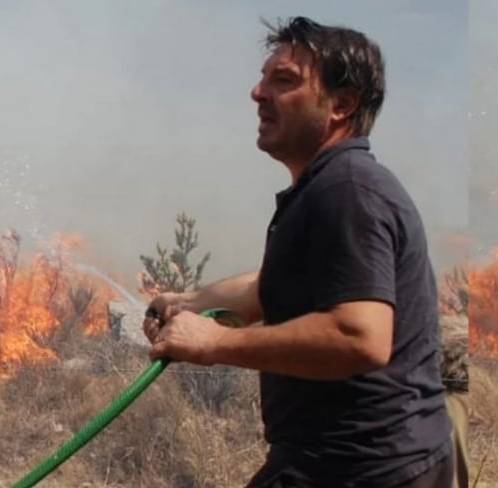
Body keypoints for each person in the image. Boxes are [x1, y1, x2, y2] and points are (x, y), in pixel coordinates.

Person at [142, 16, 455, 487]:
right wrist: (189, 305)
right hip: (361, 460)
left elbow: (359, 336)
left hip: (360, 469)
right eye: (264, 77)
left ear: (342, 105)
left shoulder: (347, 191)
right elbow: (275, 285)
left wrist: (216, 344)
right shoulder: (329, 185)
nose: (258, 92)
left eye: (283, 81)